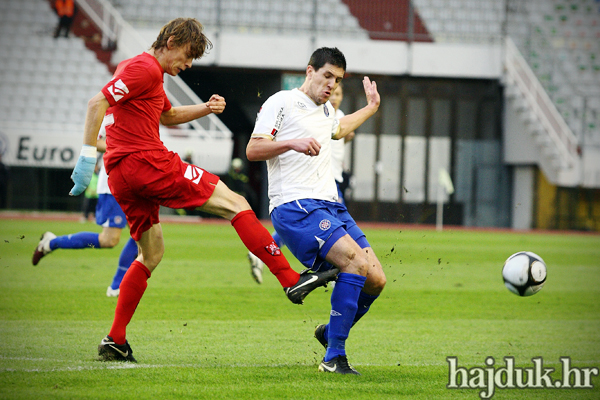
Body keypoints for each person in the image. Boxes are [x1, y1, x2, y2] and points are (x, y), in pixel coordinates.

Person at [67, 18, 337, 363]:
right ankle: (288, 279)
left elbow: (166, 115)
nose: (189, 63)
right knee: (236, 203)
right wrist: (86, 156)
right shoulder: (144, 69)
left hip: (122, 175)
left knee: (150, 254)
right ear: (172, 41)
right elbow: (96, 104)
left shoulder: (142, 71)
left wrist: (206, 109)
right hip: (147, 162)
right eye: (188, 54)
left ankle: (115, 339)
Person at [246, 47, 386, 375]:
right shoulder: (281, 101)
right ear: (309, 71)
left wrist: (371, 108)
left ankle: (329, 329)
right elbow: (254, 149)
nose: (331, 86)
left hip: (332, 206)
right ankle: (334, 357)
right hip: (295, 206)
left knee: (376, 279)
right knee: (354, 262)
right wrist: (291, 143)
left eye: (337, 80)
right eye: (326, 77)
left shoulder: (325, 113)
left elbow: (338, 129)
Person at [247, 83, 355, 284]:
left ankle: (265, 251)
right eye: (334, 92)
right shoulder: (314, 112)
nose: (335, 96)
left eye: (339, 93)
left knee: (300, 224)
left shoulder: (334, 114)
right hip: (320, 181)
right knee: (334, 223)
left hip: (333, 177)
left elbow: (340, 138)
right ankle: (338, 267)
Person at [32, 132, 138, 298]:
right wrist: (126, 147)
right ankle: (52, 243)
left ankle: (118, 285)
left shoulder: (144, 113)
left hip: (136, 180)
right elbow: (93, 142)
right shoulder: (112, 112)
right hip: (115, 183)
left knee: (144, 234)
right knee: (109, 240)